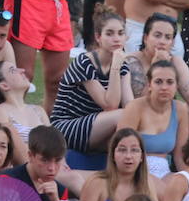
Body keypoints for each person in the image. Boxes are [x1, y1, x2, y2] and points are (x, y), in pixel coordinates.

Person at [50, 8, 134, 156]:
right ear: (98, 37)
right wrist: (115, 66)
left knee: (132, 118)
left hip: (97, 128)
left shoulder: (123, 66)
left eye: (121, 33)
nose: (116, 39)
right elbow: (110, 105)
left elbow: (131, 106)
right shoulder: (84, 62)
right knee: (122, 116)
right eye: (109, 33)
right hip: (65, 128)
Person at [2, 0, 73, 110]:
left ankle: (49, 129)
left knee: (59, 80)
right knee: (20, 76)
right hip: (27, 1)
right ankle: (12, 127)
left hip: (58, 4)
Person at [118, 59, 189, 180]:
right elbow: (121, 149)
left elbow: (180, 156)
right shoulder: (135, 107)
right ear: (149, 84)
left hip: (165, 171)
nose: (164, 87)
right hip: (135, 170)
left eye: (170, 82)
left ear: (177, 86)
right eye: (158, 82)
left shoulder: (180, 109)